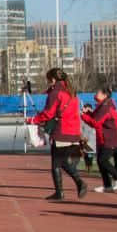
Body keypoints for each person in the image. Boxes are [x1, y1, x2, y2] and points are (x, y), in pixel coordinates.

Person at [29, 68, 87, 200]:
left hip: (62, 131)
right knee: (63, 162)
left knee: (57, 163)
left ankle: (70, 187)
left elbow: (48, 113)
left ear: (53, 80)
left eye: (48, 80)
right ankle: (68, 188)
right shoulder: (72, 92)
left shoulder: (56, 92)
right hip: (74, 131)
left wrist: (33, 120)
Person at [80, 88, 117, 193]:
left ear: (105, 95)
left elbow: (96, 122)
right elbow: (95, 119)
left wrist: (83, 115)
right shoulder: (101, 106)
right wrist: (87, 114)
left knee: (103, 160)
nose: (95, 93)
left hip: (111, 138)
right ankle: (107, 186)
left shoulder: (106, 106)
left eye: (97, 92)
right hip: (104, 138)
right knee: (100, 161)